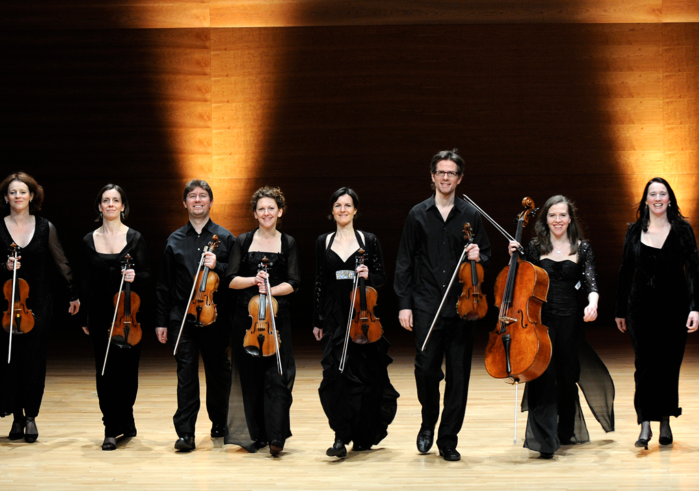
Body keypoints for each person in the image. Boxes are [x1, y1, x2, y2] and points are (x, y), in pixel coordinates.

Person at [394, 149, 491, 462]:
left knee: (459, 377)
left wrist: (479, 255)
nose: (446, 177)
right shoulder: (417, 215)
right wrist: (404, 304)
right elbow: (405, 261)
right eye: (441, 172)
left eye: (452, 173)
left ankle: (448, 438)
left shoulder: (471, 215)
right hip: (425, 305)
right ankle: (427, 423)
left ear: (459, 178)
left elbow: (486, 255)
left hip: (464, 307)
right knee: (425, 371)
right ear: (432, 177)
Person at [508, 195, 614, 459]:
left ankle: (564, 430)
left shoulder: (582, 247)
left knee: (567, 379)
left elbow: (591, 283)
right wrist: (513, 256)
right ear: (546, 218)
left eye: (563, 215)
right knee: (542, 376)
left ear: (570, 218)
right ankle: (544, 440)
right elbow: (520, 281)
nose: (558, 220)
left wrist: (593, 303)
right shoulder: (533, 247)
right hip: (540, 321)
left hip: (570, 322)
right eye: (552, 215)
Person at [313, 187, 399, 458]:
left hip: (362, 315)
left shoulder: (368, 240)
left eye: (347, 205)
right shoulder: (323, 242)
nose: (342, 209)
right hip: (335, 315)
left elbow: (382, 276)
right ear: (332, 210)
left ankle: (362, 434)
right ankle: (340, 436)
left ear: (355, 210)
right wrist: (318, 319)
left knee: (366, 375)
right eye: (337, 205)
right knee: (335, 375)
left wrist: (367, 275)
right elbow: (319, 282)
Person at [615, 177, 699, 449]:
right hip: (641, 308)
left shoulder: (683, 230)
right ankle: (645, 425)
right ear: (646, 200)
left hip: (675, 308)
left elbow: (694, 271)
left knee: (668, 366)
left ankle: (665, 421)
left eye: (663, 193)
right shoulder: (634, 231)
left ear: (670, 199)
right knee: (645, 366)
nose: (658, 198)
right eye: (653, 194)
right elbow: (626, 271)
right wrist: (619, 310)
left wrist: (695, 307)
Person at [0, 172, 80, 443]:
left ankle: (31, 416)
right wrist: (4, 266)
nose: (18, 196)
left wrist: (73, 295)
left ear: (32, 196)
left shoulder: (45, 226)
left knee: (34, 361)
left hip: (39, 304)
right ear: (6, 197)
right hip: (6, 305)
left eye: (23, 192)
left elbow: (62, 262)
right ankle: (17, 417)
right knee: (10, 362)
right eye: (13, 192)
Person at [155, 179, 234, 452]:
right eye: (192, 196)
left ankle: (220, 423)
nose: (197, 200)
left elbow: (235, 278)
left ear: (211, 202)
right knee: (185, 374)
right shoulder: (174, 240)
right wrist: (161, 321)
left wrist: (220, 266)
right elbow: (163, 284)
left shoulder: (225, 238)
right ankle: (185, 433)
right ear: (185, 202)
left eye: (203, 196)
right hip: (182, 316)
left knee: (219, 373)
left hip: (216, 316)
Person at [225, 186, 299, 456]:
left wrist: (270, 289)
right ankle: (256, 435)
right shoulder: (243, 241)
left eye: (271, 208)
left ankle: (276, 436)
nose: (266, 213)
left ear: (280, 211)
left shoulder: (287, 242)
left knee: (279, 376)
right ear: (255, 213)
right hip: (247, 320)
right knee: (251, 379)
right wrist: (254, 281)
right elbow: (230, 279)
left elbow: (293, 283)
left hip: (278, 320)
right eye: (261, 209)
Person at [81, 184, 151, 451]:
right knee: (105, 371)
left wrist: (135, 276)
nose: (110, 204)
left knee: (128, 373)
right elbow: (86, 280)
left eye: (115, 200)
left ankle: (127, 416)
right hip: (100, 314)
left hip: (128, 314)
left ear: (123, 206)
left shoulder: (135, 238)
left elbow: (146, 276)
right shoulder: (89, 240)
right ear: (99, 207)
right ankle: (111, 427)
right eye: (105, 200)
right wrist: (85, 317)